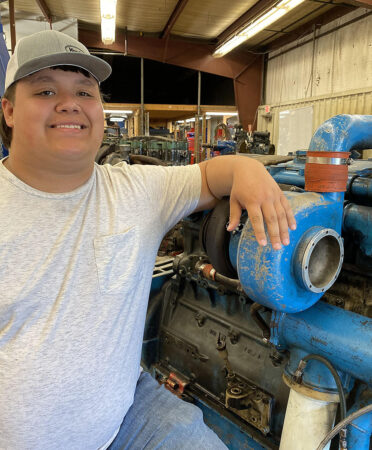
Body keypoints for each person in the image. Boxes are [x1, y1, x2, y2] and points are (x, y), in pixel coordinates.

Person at [0, 30, 296, 450]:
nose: (70, 103)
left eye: (85, 91)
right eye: (45, 90)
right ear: (9, 110)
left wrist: (249, 171)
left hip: (128, 416)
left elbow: (213, 174)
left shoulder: (137, 191)